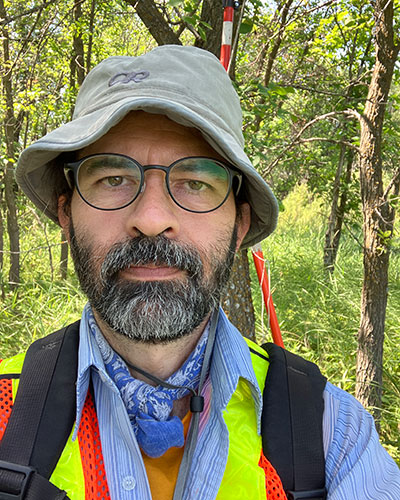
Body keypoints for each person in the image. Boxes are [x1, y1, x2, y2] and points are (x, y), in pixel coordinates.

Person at [0, 45, 399, 500]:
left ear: (239, 225)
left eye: (195, 182)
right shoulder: (4, 414)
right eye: (113, 179)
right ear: (66, 215)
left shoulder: (331, 436)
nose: (150, 218)